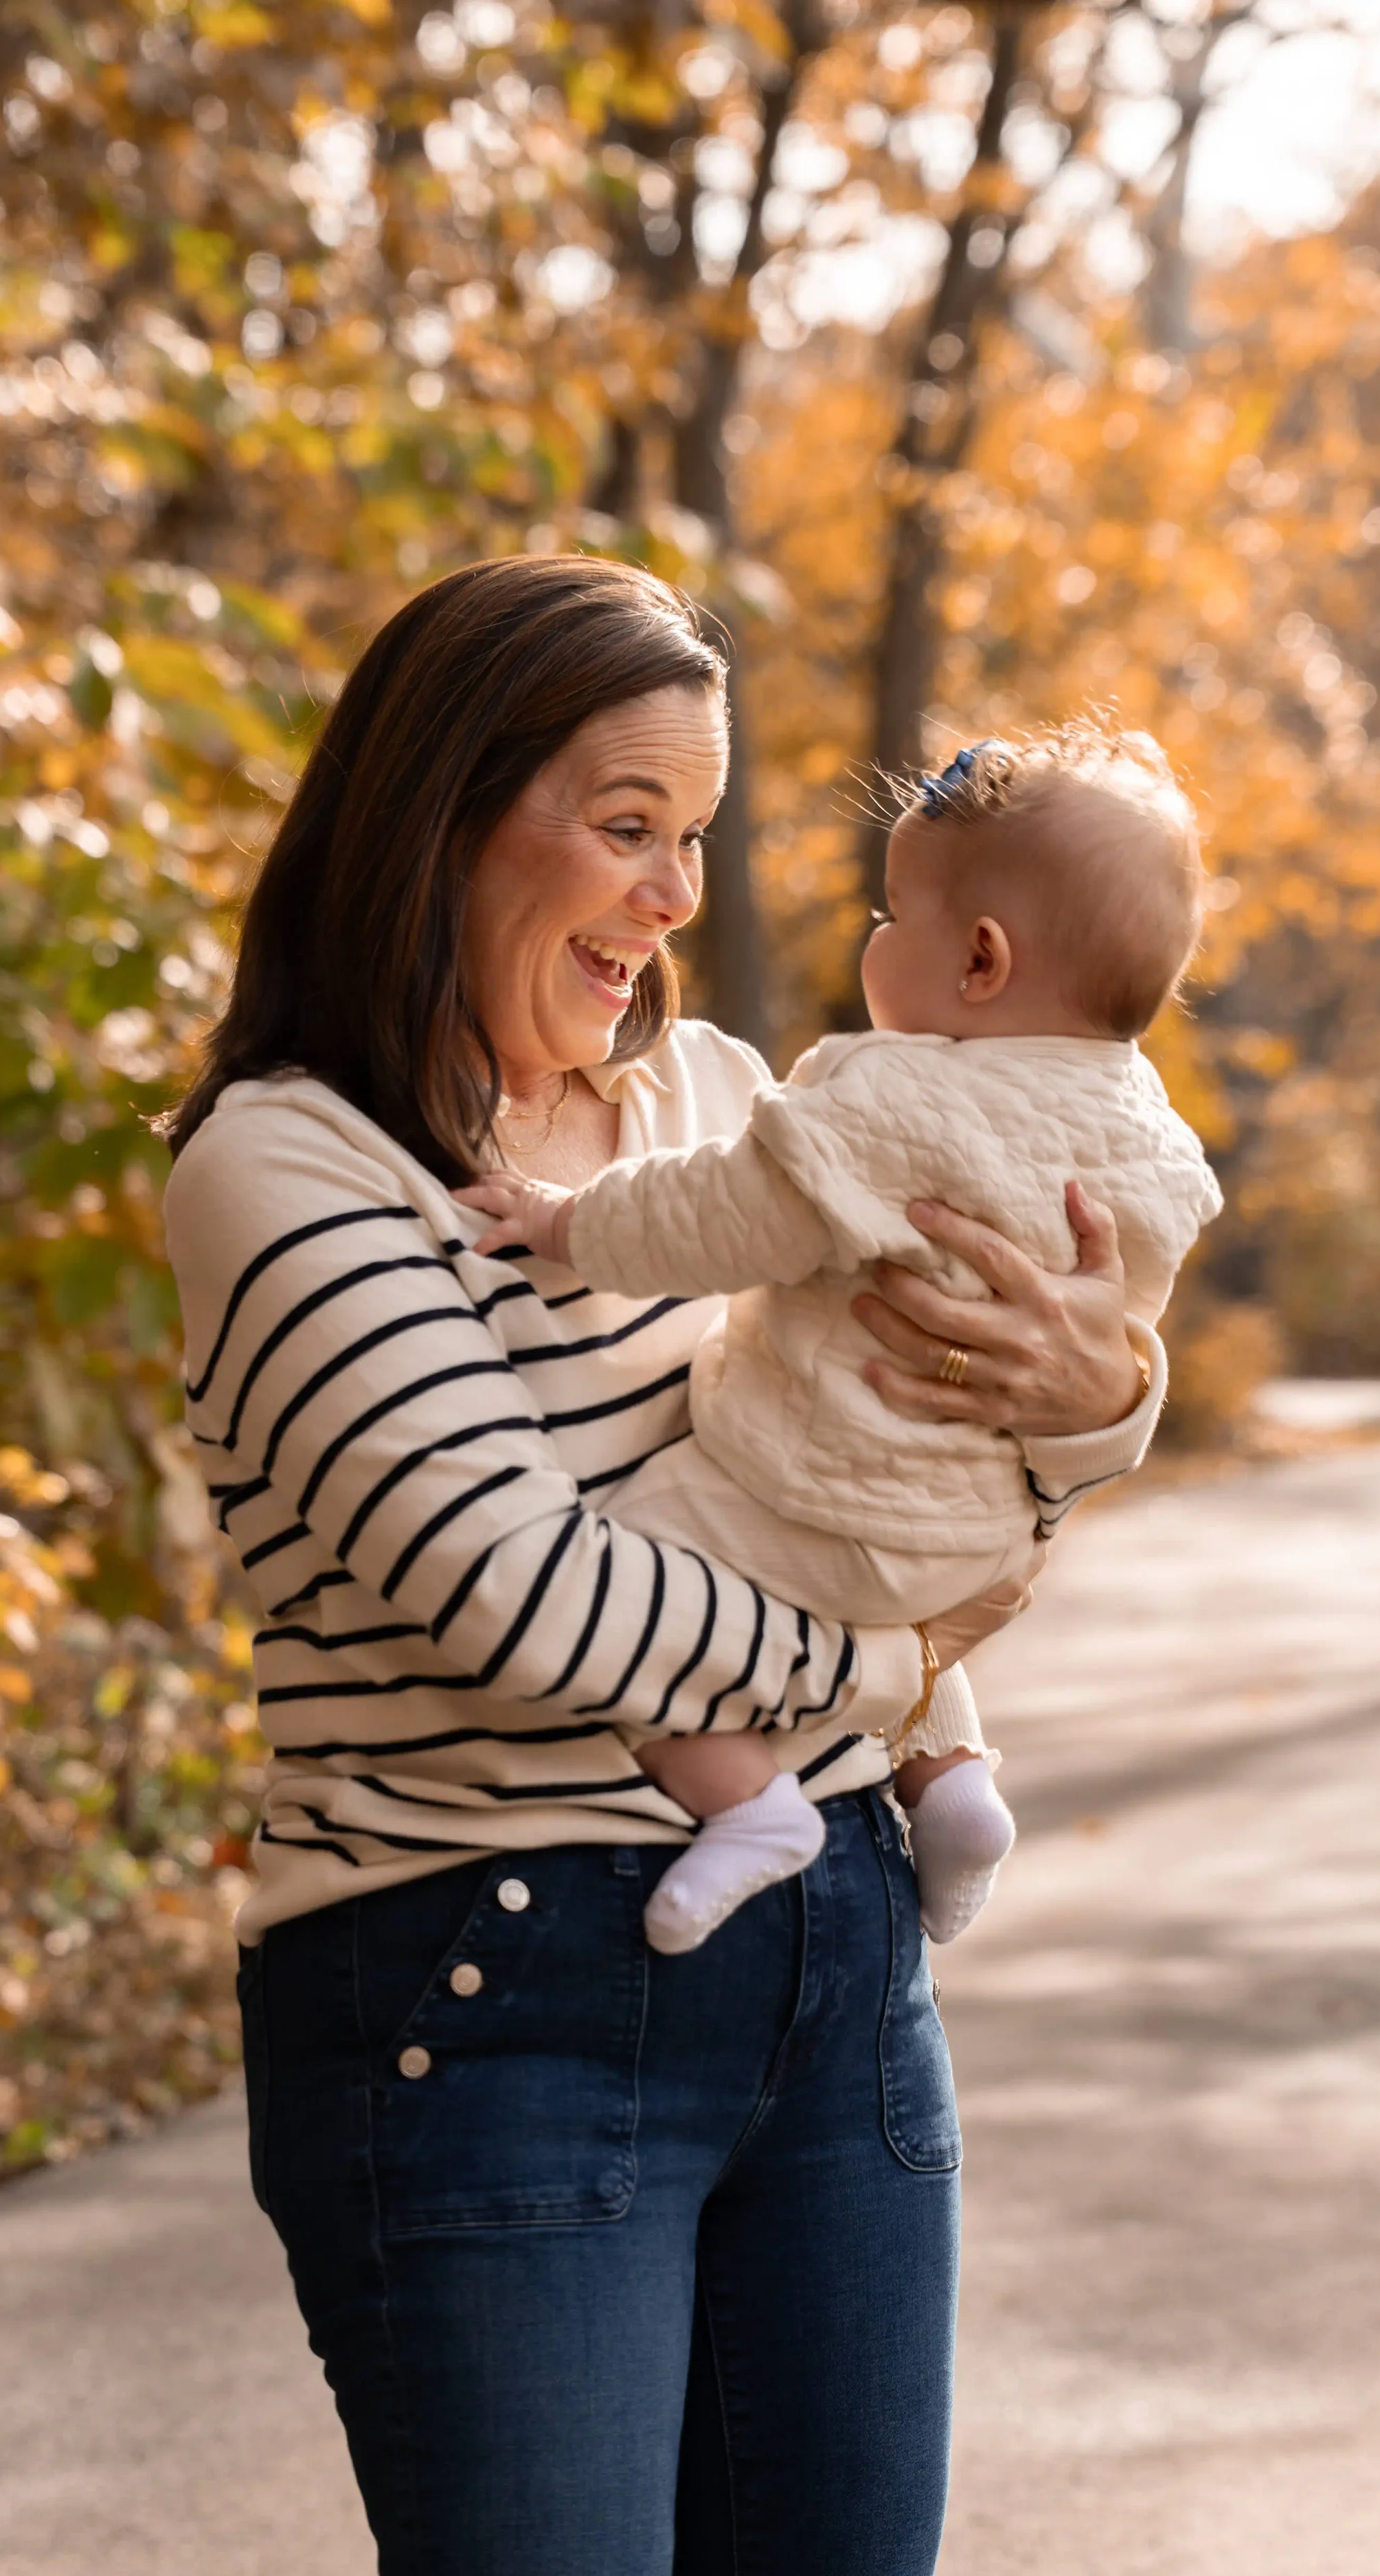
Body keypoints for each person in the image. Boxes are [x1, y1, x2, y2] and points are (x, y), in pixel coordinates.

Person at [161, 555, 1172, 2576]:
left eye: (693, 839)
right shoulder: (293, 1163)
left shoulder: (719, 1106)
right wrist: (903, 1672)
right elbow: (526, 1603)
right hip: (487, 1997)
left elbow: (943, 1441)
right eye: (625, 828)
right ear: (440, 810)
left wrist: (1099, 1400)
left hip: (839, 1972)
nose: (675, 897)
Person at [456, 720, 1221, 1955]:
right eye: (638, 830)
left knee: (649, 1555)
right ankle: (957, 1780)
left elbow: (718, 1213)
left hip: (816, 1486)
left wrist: (565, 1222)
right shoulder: (1153, 1138)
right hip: (972, 1538)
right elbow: (1114, 1317)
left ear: (980, 959)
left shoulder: (883, 1099)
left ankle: (748, 1806)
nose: (682, 886)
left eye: (889, 915)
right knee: (887, 1563)